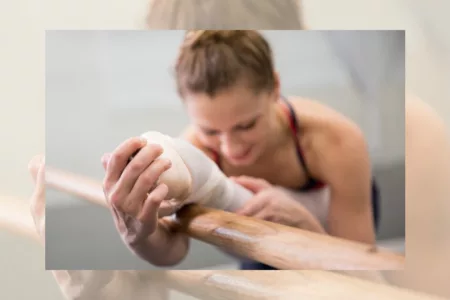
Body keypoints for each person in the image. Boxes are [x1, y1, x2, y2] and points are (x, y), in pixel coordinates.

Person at [101, 30, 380, 270]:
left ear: (274, 88)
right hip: (260, 238)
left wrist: (303, 224)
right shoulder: (191, 157)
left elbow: (360, 275)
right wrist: (138, 235)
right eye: (210, 131)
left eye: (246, 125)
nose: (230, 148)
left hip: (337, 230)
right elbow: (174, 247)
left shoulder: (334, 139)